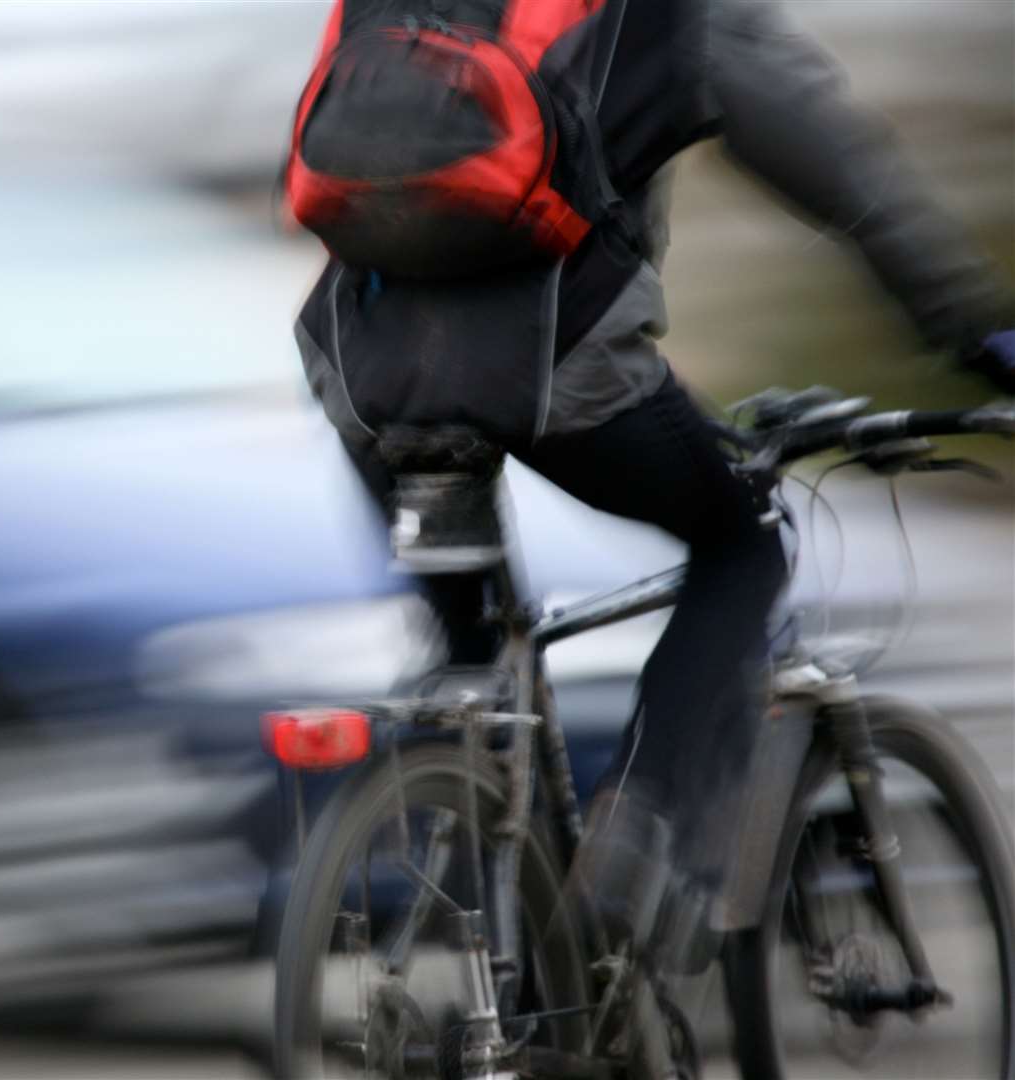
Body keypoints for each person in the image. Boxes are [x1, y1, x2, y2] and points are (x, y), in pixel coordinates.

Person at [292, 0, 1015, 985]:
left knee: (475, 670)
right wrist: (976, 333)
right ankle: (648, 831)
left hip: (363, 381)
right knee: (742, 546)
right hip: (561, 370)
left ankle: (483, 927)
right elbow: (843, 169)